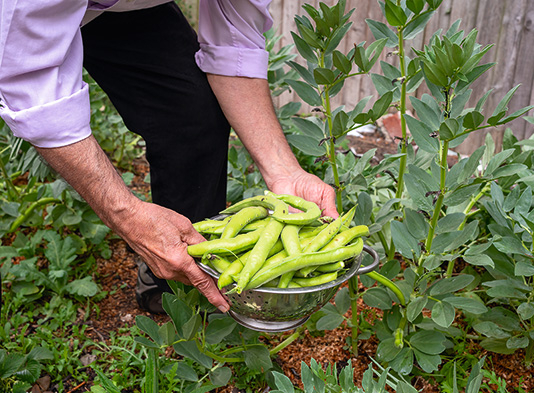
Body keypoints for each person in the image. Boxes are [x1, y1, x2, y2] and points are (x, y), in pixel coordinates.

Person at [0, 0, 339, 314]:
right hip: (22, 18)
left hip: (120, 9)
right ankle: (165, 254)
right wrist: (127, 215)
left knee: (193, 117)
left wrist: (284, 172)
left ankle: (181, 276)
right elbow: (29, 83)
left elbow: (235, 43)